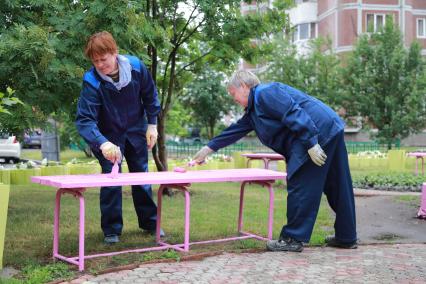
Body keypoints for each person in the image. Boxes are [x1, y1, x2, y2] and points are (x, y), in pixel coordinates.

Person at [193, 70, 357, 252]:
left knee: (300, 182)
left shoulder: (266, 93)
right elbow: (235, 130)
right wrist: (208, 148)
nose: (234, 99)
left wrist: (311, 142)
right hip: (329, 127)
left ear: (244, 86)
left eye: (233, 94)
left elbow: (292, 112)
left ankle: (292, 238)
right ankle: (346, 236)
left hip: (316, 131)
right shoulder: (254, 110)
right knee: (337, 183)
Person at [76, 31, 164, 244]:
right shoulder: (91, 81)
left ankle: (151, 223)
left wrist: (152, 124)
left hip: (136, 129)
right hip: (108, 134)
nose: (100, 64)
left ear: (114, 52)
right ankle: (112, 230)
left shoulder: (136, 68)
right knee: (111, 179)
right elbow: (85, 120)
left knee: (141, 176)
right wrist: (102, 142)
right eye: (95, 61)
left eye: (103, 59)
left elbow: (150, 95)